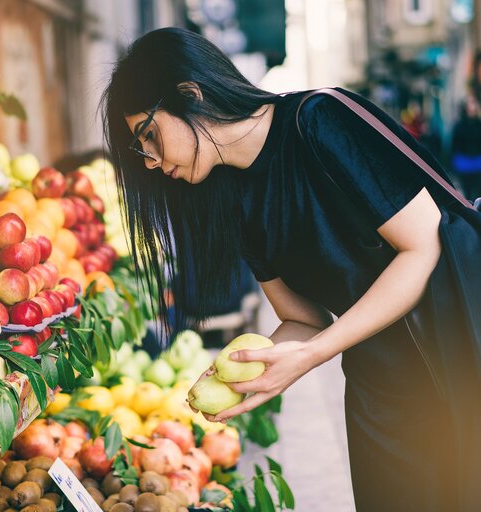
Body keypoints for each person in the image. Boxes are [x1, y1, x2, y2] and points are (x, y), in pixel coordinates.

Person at [101, 27, 478, 511]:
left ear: (189, 94)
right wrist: (240, 377)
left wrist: (315, 353)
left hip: (462, 349)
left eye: (148, 135)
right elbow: (304, 319)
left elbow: (422, 248)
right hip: (382, 389)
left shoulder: (320, 119)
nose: (150, 161)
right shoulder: (236, 200)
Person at [451, 95, 481, 199]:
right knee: (467, 191)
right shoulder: (459, 125)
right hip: (464, 163)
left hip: (477, 162)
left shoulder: (478, 124)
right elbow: (455, 145)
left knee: (477, 192)